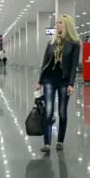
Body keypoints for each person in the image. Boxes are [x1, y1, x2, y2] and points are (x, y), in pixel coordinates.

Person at [36, 14, 80, 153]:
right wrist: (40, 81)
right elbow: (44, 62)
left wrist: (71, 84)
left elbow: (74, 66)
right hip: (49, 79)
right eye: (57, 23)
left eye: (60, 23)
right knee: (48, 111)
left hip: (64, 80)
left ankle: (60, 141)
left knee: (62, 112)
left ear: (67, 25)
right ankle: (47, 143)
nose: (57, 25)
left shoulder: (74, 43)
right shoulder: (51, 42)